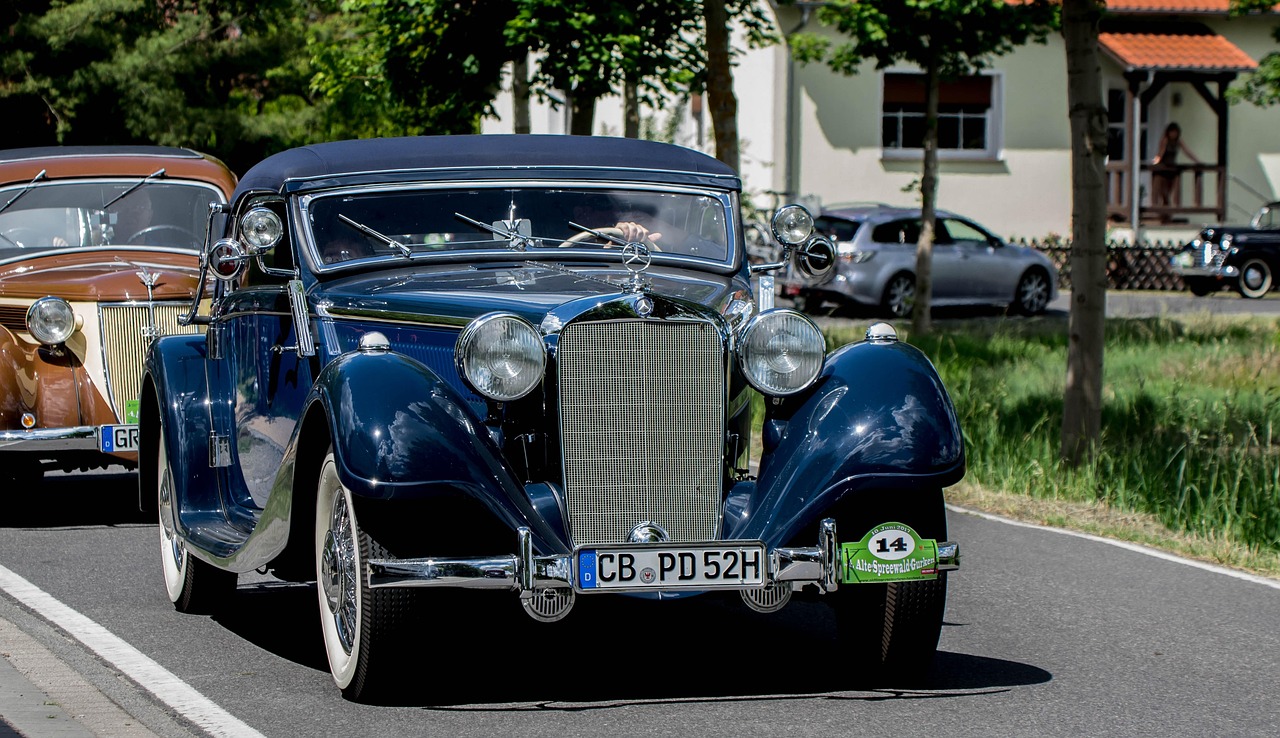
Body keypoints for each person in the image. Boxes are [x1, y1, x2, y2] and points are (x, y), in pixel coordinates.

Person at [1151, 122, 1199, 215]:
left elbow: (1187, 151)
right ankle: (1163, 214)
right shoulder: (1165, 140)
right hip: (1163, 168)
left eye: (1175, 132)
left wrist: (1196, 160)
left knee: (1169, 192)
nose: (1173, 134)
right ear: (1168, 132)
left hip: (1172, 169)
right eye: (1172, 132)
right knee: (1162, 192)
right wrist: (1155, 162)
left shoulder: (1178, 141)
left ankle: (1166, 214)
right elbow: (1160, 153)